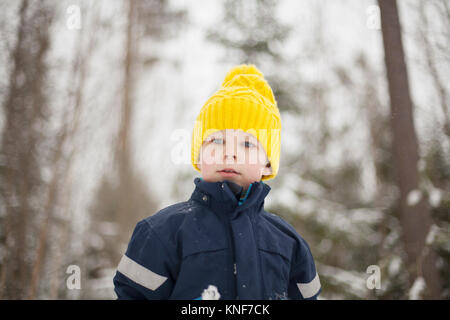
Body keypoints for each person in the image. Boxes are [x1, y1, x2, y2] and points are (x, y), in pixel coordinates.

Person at [113, 64, 321, 300]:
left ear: (268, 164)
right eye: (217, 141)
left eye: (247, 144)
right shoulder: (161, 233)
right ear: (199, 157)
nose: (229, 153)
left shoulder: (289, 244)